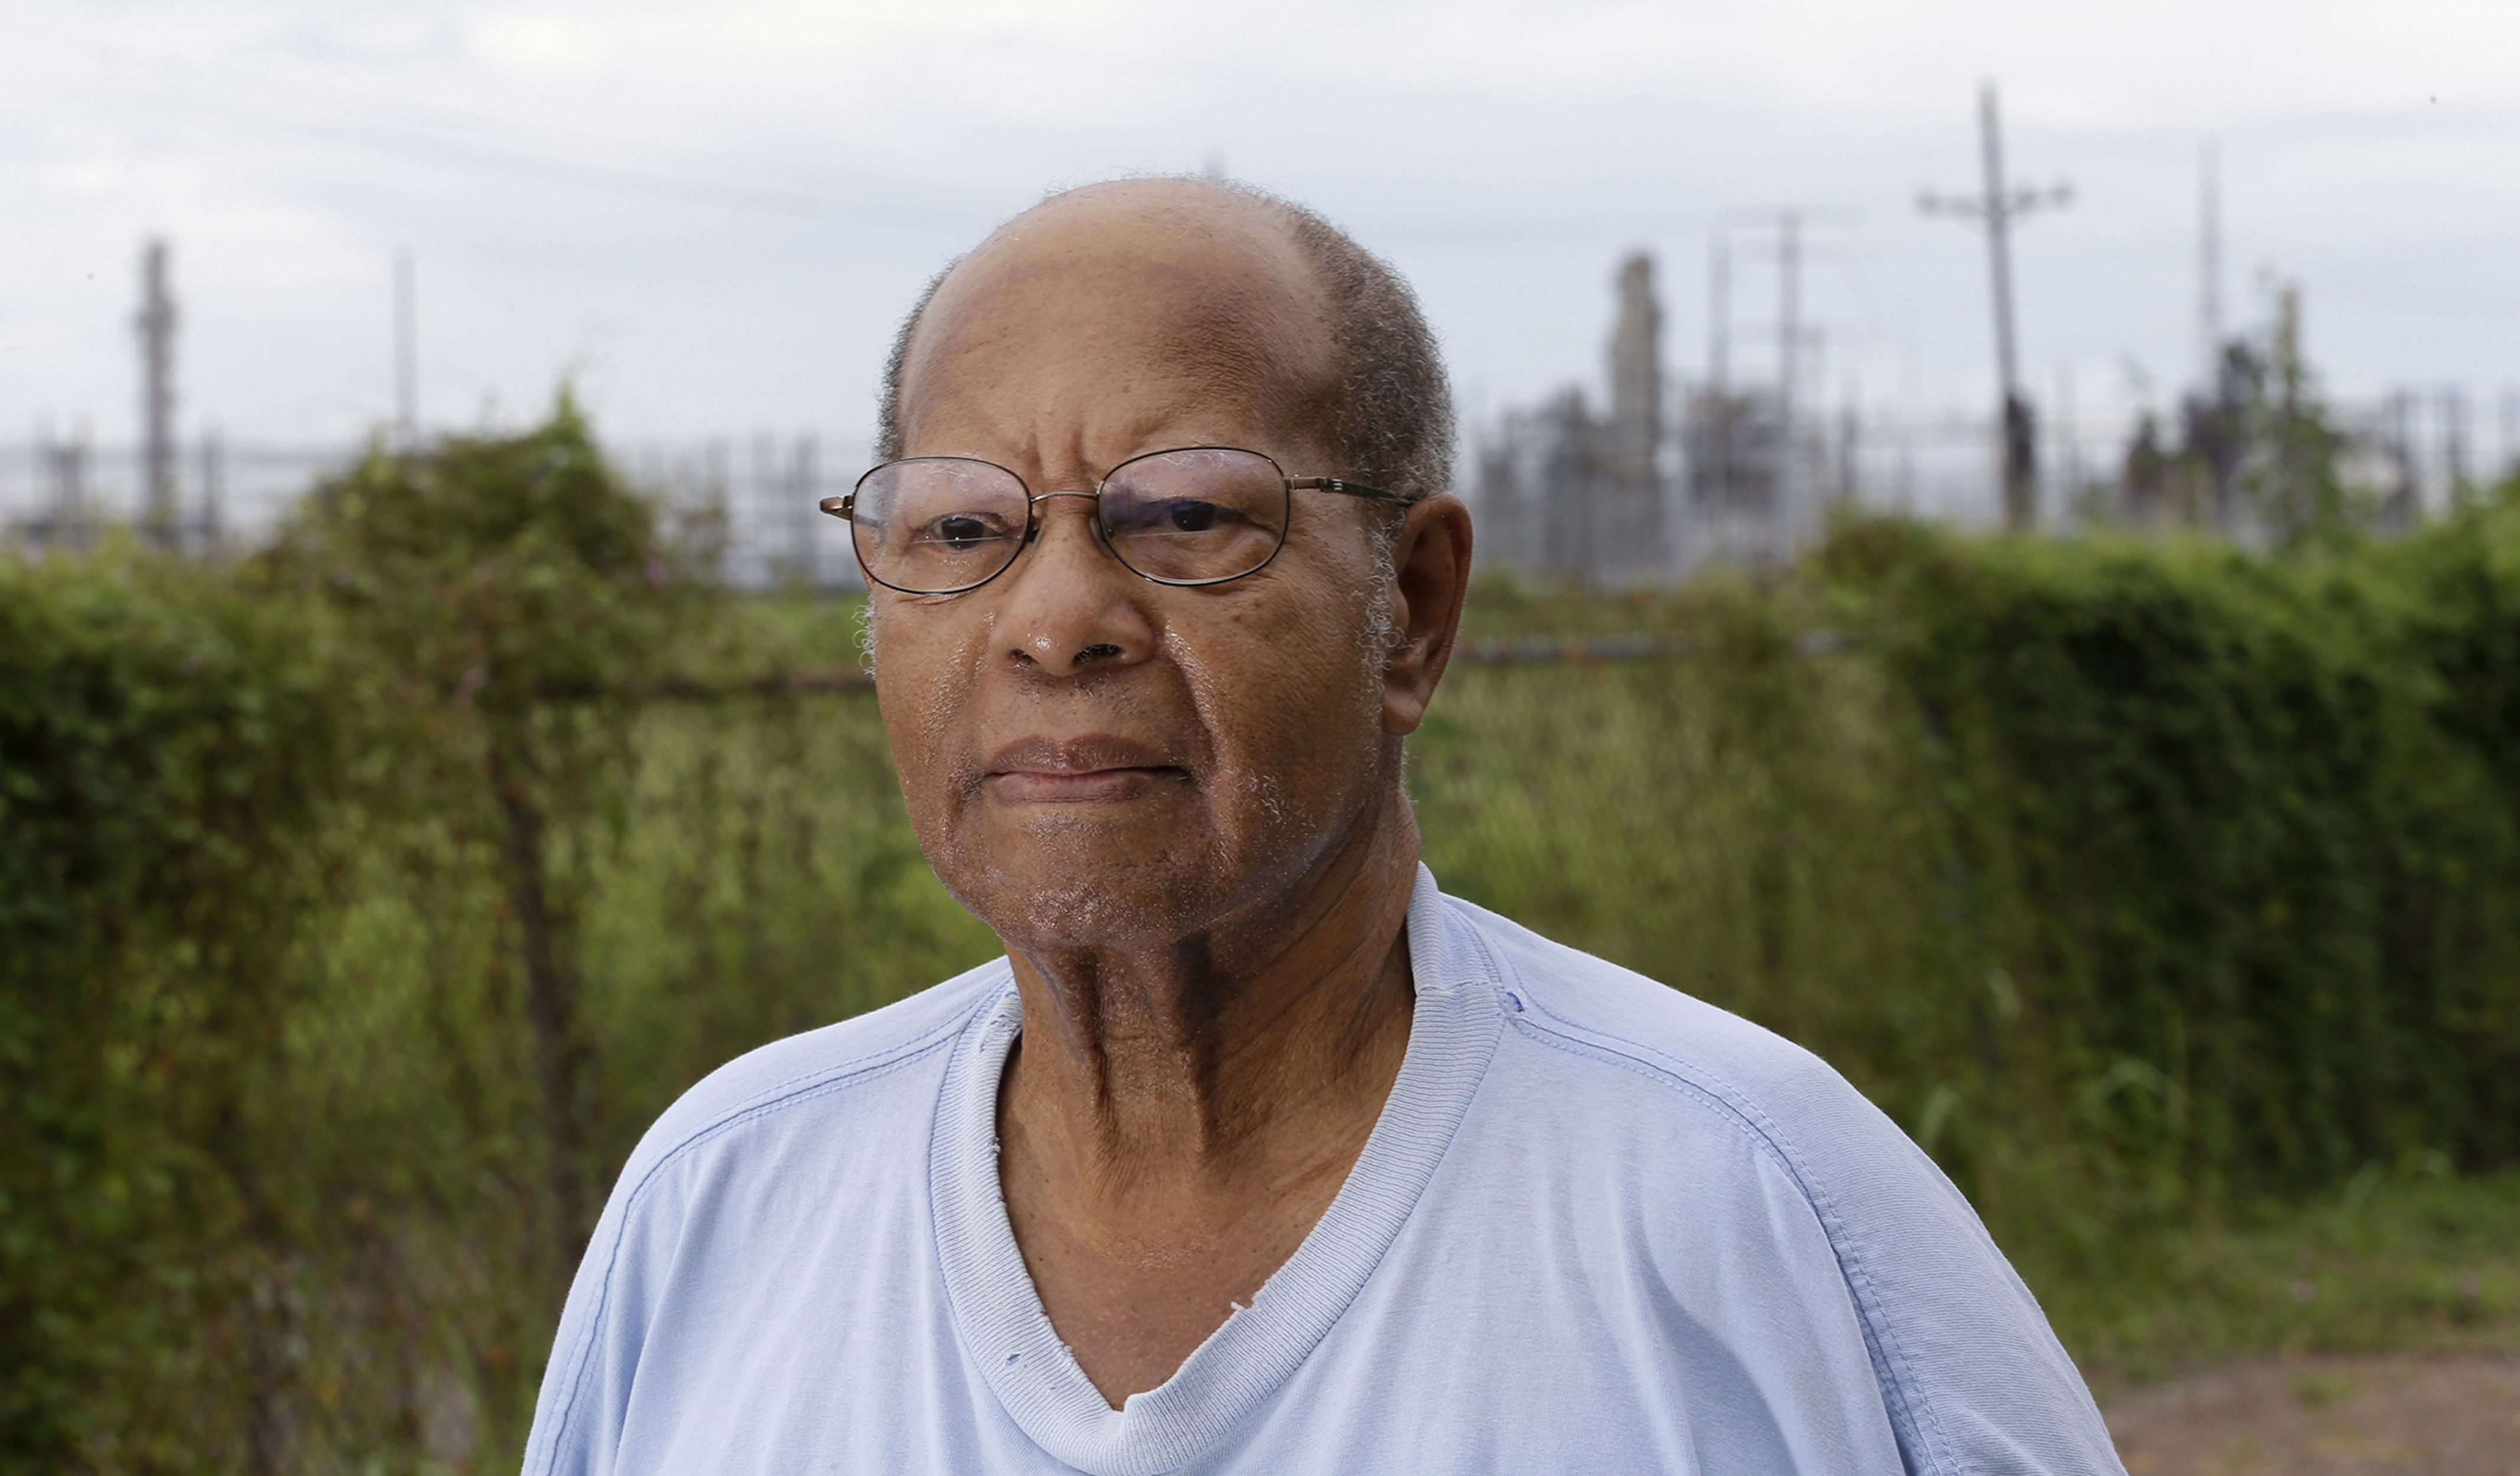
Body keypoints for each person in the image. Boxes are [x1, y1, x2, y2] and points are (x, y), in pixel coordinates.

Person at [522, 177, 2125, 1475]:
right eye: (960, 527)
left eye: (1188, 515)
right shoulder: (723, 1208)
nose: (1057, 616)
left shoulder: (1755, 1205)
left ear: (1411, 613)